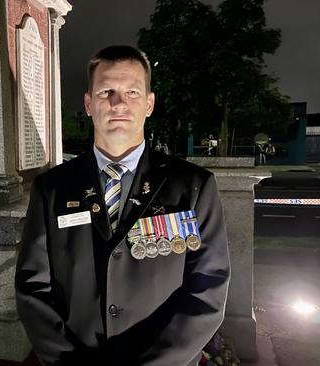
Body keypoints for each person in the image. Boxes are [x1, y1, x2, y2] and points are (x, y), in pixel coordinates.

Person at [15, 45, 230, 365]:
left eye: (131, 91)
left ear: (149, 103)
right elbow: (32, 288)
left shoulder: (192, 186)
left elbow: (208, 290)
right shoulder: (52, 189)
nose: (118, 103)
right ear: (88, 104)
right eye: (106, 92)